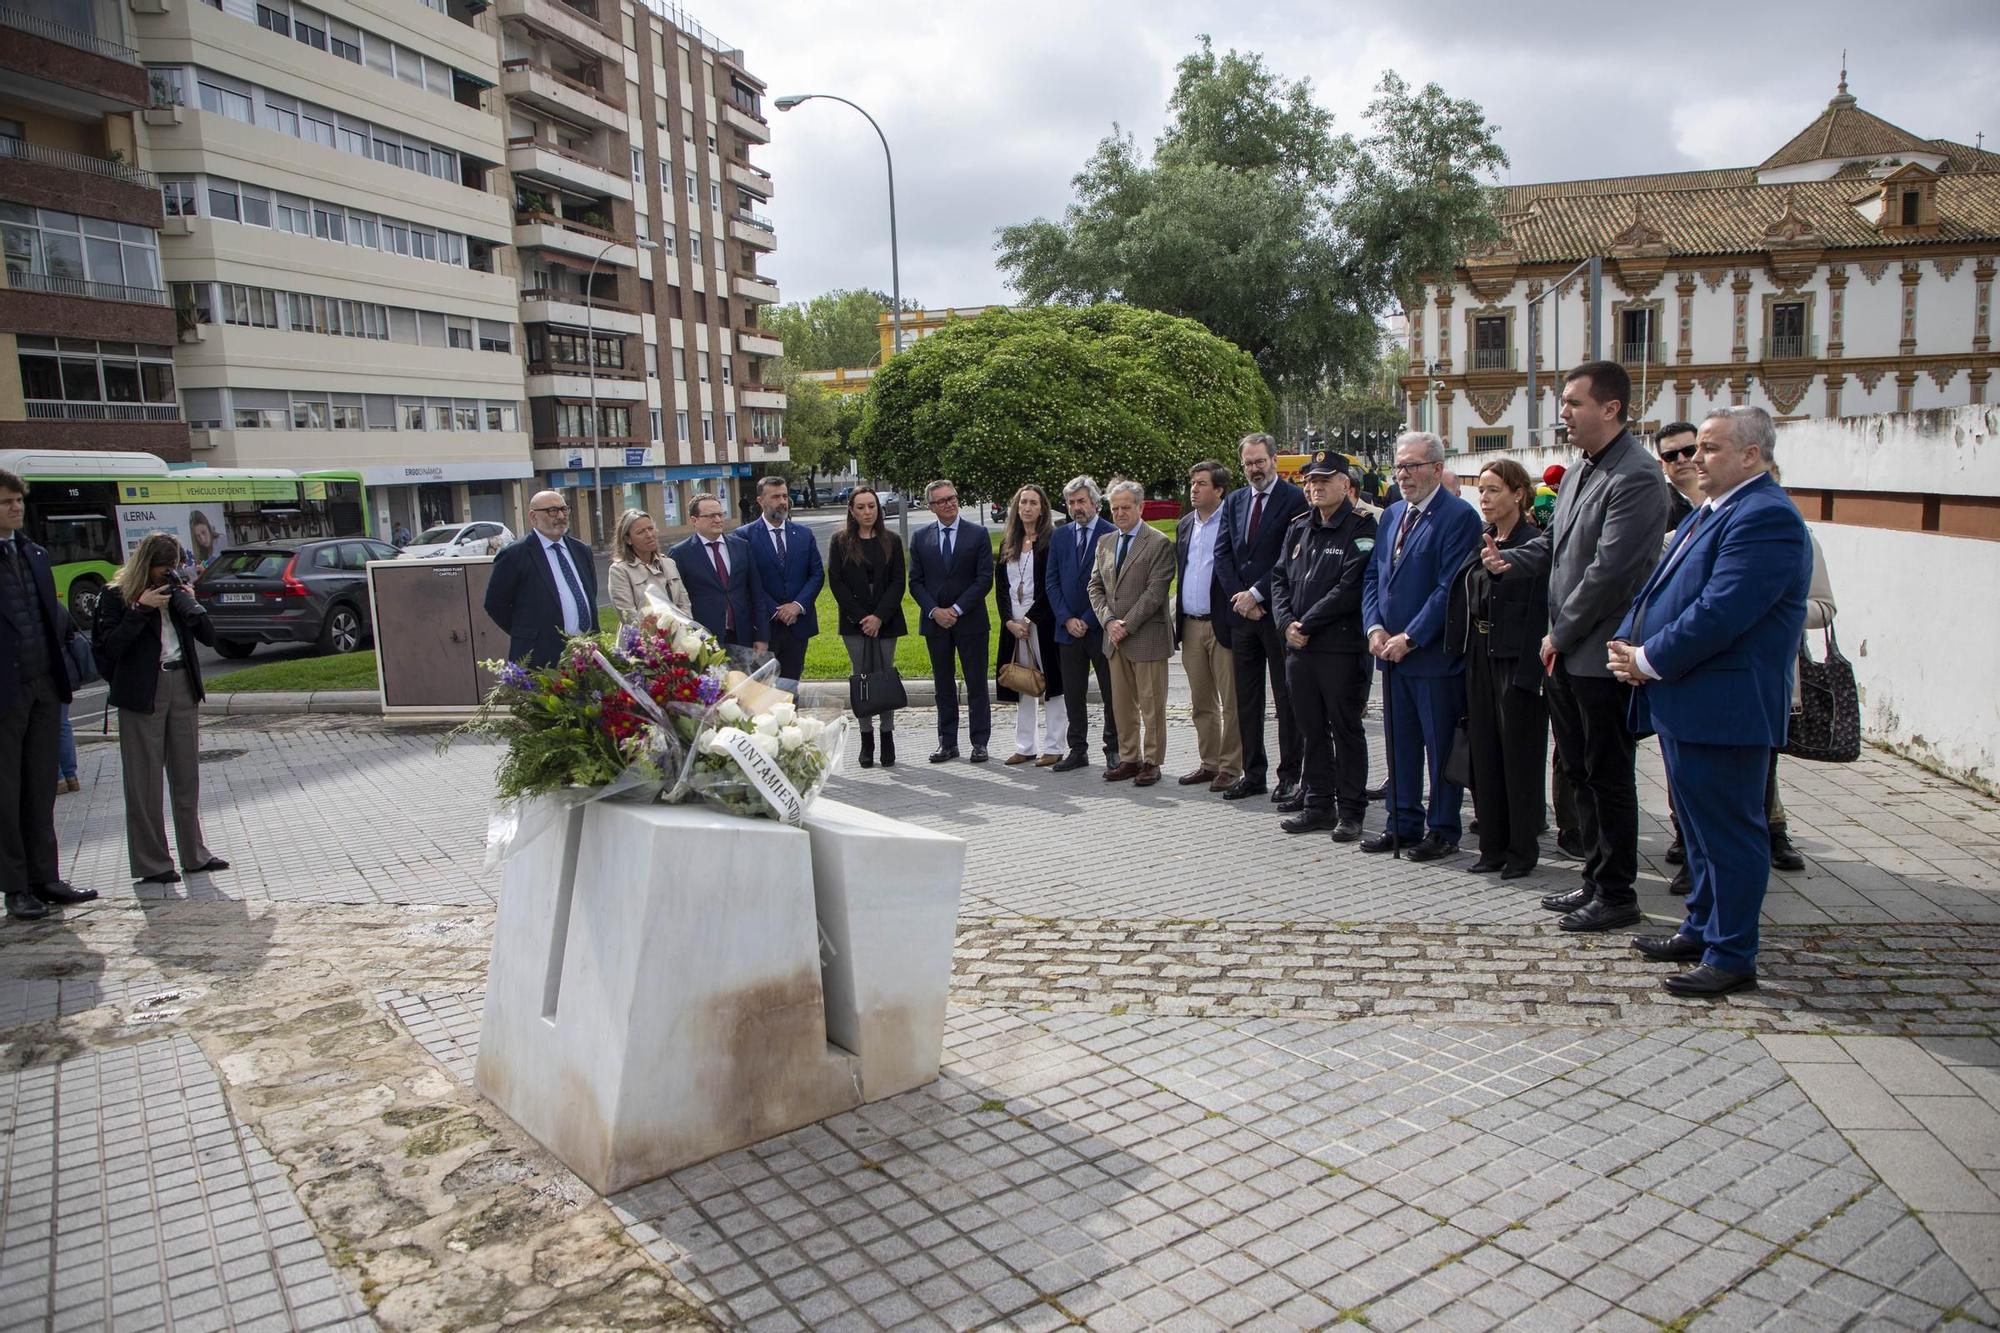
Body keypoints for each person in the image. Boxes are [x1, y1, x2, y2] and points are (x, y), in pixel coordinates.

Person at [1614, 407, 1810, 997]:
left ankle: (1731, 953)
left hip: (1726, 705)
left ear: (1751, 455)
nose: (1694, 459)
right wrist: (1629, 641)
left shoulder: (1765, 516)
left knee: (1730, 833)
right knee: (1698, 833)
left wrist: (1649, 658)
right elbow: (1661, 588)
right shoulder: (1716, 508)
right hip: (1688, 698)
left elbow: (1721, 611)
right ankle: (1700, 927)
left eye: (1709, 448)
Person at [1484, 361, 1669, 932]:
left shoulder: (1636, 476)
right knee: (1579, 774)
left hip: (1599, 653)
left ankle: (1616, 894)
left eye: (1573, 403)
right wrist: (1511, 560)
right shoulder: (1582, 469)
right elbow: (1556, 547)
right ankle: (1594, 879)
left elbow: (1609, 572)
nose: (1561, 413)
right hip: (1566, 653)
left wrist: (1558, 635)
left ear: (1611, 408)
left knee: (1606, 775)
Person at [1361, 432, 1484, 860]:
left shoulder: (1458, 517)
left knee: (1439, 747)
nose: (1403, 475)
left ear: (1436, 468)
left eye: (1412, 466)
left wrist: (1410, 637)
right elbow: (1374, 576)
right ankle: (1402, 824)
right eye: (1399, 466)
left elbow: (1449, 587)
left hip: (1432, 658)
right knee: (1401, 746)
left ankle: (1443, 829)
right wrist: (1374, 627)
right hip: (1390, 656)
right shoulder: (1393, 514)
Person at [92, 533, 229, 887]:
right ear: (146, 565)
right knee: (144, 780)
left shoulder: (177, 592)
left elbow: (210, 637)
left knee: (186, 774)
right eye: (162, 568)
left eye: (174, 567)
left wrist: (191, 604)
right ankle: (152, 862)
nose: (168, 574)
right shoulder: (115, 595)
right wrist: (140, 609)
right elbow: (108, 649)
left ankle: (194, 854)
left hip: (182, 683)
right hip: (142, 690)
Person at [1448, 459, 1549, 879]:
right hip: (1480, 653)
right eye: (1482, 490)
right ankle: (1491, 847)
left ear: (1518, 494)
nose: (1485, 498)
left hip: (1516, 659)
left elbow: (1540, 612)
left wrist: (1530, 674)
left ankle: (1521, 851)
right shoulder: (1484, 538)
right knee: (1484, 752)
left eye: (1493, 490)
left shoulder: (1534, 543)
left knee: (1519, 759)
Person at [0, 468, 92, 920]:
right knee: (7, 792)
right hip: (6, 691)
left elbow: (50, 617)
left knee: (41, 787)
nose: (16, 507)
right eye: (6, 502)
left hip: (43, 685)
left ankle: (45, 877)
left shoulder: (33, 552)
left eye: (18, 500)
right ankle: (16, 886)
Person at [1269, 453, 1376, 839]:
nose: (1316, 486)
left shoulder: (1361, 526)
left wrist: (1305, 624)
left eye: (1325, 479)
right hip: (1300, 648)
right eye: (1311, 480)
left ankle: (1350, 809)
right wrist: (1286, 624)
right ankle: (1317, 804)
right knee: (1310, 728)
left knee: (1345, 729)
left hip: (1339, 648)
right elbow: (1279, 578)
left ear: (1345, 484)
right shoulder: (1299, 526)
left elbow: (1349, 587)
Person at [1218, 433, 1309, 802]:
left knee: (1286, 698)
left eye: (1260, 461)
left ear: (1274, 460)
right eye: (1248, 463)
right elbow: (1223, 554)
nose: (1254, 469)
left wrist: (1257, 594)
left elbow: (1291, 557)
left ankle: (1289, 775)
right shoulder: (1235, 501)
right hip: (1242, 618)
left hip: (1277, 613)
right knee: (1247, 699)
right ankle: (1253, 773)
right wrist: (1241, 599)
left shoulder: (1294, 499)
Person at [1763, 459, 1836, 873]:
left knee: (1762, 763)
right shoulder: (1701, 531)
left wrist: (1776, 609)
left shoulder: (1801, 537)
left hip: (1771, 674)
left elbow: (1823, 607)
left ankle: (1775, 833)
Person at [1087, 480, 1175, 786]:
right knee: (1121, 705)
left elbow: (1155, 592)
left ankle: (1152, 761)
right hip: (1114, 639)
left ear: (1141, 507)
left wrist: (1126, 624)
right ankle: (1129, 758)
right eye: (1115, 508)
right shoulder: (1105, 542)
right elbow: (1095, 587)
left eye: (1126, 507)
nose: (1120, 513)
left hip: (1146, 637)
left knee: (1152, 706)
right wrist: (1109, 622)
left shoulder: (1158, 543)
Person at [908, 479, 993, 763]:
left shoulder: (978, 534)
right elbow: (915, 582)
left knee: (976, 684)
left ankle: (979, 742)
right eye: (942, 501)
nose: (949, 504)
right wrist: (935, 611)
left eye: (952, 498)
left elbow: (984, 579)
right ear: (930, 506)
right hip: (936, 624)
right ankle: (947, 742)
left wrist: (956, 609)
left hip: (971, 622)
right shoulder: (920, 538)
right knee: (943, 685)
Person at [827, 487, 907, 768]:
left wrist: (879, 617)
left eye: (871, 506)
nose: (867, 512)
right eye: (860, 507)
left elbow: (898, 581)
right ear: (851, 510)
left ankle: (887, 736)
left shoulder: (892, 540)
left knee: (884, 676)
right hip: (855, 622)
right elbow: (836, 582)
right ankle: (866, 738)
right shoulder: (840, 542)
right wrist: (862, 617)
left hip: (886, 619)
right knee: (861, 678)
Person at [1174, 460, 1240, 791]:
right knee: (1201, 701)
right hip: (1191, 623)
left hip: (1223, 623)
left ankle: (1230, 766)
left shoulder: (1233, 520)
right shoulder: (1186, 524)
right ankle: (1209, 762)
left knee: (1231, 700)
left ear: (1219, 489)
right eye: (1192, 483)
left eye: (1201, 483)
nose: (1194, 489)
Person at [1046, 476, 1118, 772]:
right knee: (1073, 693)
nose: (1077, 507)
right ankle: (1077, 749)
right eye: (1071, 502)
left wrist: (1087, 620)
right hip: (1067, 630)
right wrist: (1066, 618)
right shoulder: (1060, 536)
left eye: (1082, 501)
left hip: (1100, 628)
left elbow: (1112, 585)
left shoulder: (1110, 533)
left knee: (1111, 692)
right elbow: (1051, 582)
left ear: (1095, 503)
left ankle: (1113, 749)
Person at [483, 489, 599, 668]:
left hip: (586, 654)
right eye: (552, 511)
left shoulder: (581, 550)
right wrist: (527, 632)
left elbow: (590, 593)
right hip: (540, 657)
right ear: (533, 516)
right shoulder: (514, 555)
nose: (561, 516)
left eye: (564, 509)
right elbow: (495, 604)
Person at [994, 484, 1067, 766]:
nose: (1027, 508)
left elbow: (1051, 585)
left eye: (1033, 503)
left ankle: (1054, 746)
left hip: (1042, 620)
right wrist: (1009, 621)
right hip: (1014, 623)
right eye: (1023, 502)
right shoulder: (1008, 542)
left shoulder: (1051, 541)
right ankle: (1025, 746)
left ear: (1042, 509)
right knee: (1021, 680)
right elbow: (1001, 587)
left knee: (1051, 682)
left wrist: (1029, 619)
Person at [741, 477, 823, 695]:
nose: (782, 501)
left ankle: (791, 717)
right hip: (764, 628)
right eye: (775, 497)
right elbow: (748, 581)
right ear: (760, 500)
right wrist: (776, 610)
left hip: (798, 626)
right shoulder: (744, 536)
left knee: (790, 688)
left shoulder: (804, 534)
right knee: (762, 692)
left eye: (785, 496)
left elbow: (816, 574)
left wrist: (797, 606)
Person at [668, 493, 758, 649]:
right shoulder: (680, 553)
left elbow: (756, 592)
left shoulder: (741, 546)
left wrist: (761, 636)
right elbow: (676, 601)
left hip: (742, 636)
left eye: (720, 514)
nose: (718, 520)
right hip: (703, 640)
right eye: (710, 516)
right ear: (694, 520)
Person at [607, 510, 690, 621]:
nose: (649, 535)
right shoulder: (620, 570)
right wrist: (660, 630)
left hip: (679, 630)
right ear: (628, 539)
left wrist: (682, 627)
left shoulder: (669, 563)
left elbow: (684, 604)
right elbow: (628, 616)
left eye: (651, 528)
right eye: (640, 532)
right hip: (642, 632)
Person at [1657, 422, 1702, 531]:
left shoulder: (1728, 495)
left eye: (1689, 451)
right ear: (1661, 464)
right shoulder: (1655, 507)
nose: (1681, 460)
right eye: (1670, 455)